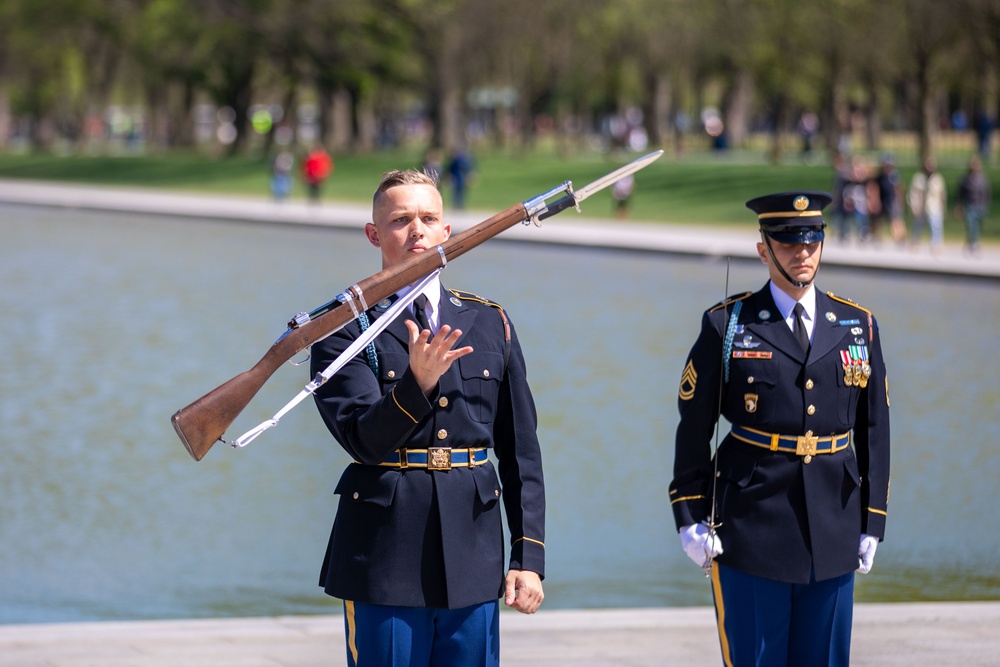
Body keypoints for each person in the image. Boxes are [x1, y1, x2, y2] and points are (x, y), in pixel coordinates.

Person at [310, 169, 545, 666]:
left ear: (447, 233)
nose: (416, 230)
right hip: (384, 557)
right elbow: (362, 441)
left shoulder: (489, 321)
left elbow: (520, 450)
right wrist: (416, 386)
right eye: (400, 220)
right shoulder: (342, 329)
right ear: (374, 234)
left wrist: (528, 558)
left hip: (473, 554)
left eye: (428, 217)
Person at [669, 191, 890, 666]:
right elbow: (693, 427)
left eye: (812, 241)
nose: (803, 253)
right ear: (763, 250)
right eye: (788, 243)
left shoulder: (858, 325)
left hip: (834, 526)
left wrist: (873, 521)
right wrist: (689, 517)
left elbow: (874, 430)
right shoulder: (728, 325)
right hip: (751, 527)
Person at [908, 157, 947, 254]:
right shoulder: (919, 178)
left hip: (934, 207)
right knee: (917, 226)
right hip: (921, 207)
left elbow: (942, 195)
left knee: (936, 226)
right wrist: (914, 207)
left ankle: (936, 245)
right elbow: (913, 194)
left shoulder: (937, 179)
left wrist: (943, 208)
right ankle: (914, 243)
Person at [956, 154, 991, 255]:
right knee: (971, 226)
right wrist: (958, 206)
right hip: (970, 206)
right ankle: (973, 245)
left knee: (978, 226)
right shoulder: (965, 180)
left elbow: (987, 193)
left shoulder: (983, 179)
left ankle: (973, 242)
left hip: (981, 206)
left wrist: (986, 204)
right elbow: (960, 195)